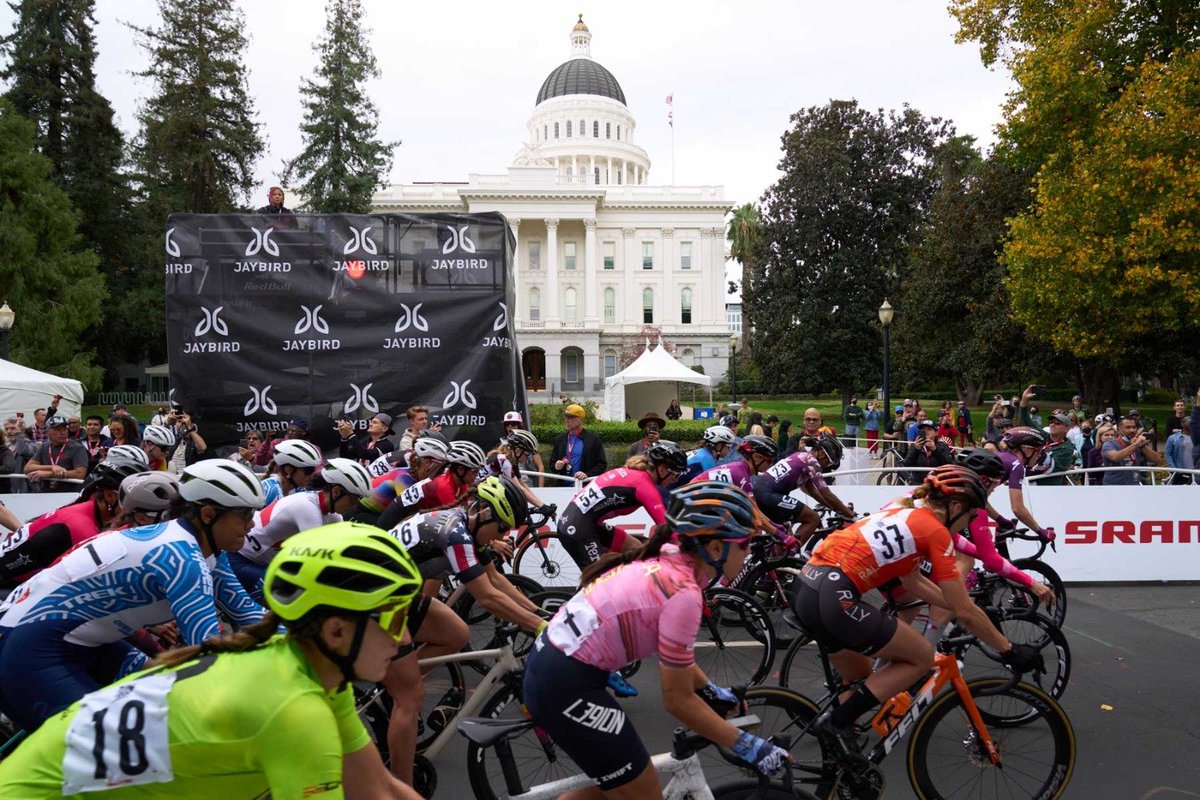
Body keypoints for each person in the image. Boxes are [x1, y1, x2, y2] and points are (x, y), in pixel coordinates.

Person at [0, 523, 425, 800]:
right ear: (336, 631)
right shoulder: (294, 709)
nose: (405, 638)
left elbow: (378, 789)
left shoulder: (315, 673)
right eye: (394, 617)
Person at [524, 482, 791, 795]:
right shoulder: (684, 593)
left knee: (621, 787)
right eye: (745, 544)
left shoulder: (668, 558)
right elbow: (677, 699)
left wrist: (709, 690)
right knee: (644, 791)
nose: (747, 554)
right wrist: (747, 745)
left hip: (553, 668)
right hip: (566, 683)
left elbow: (678, 661)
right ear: (716, 548)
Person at [788, 466, 1043, 755]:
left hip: (806, 587)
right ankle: (835, 724)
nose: (970, 523)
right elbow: (964, 611)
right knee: (922, 657)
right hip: (835, 595)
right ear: (956, 507)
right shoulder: (935, 531)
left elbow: (915, 582)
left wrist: (965, 607)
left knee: (859, 676)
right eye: (971, 516)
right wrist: (1008, 650)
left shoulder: (904, 512)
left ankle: (840, 753)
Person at [0, 460, 266, 732]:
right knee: (113, 747)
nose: (252, 523)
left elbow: (248, 613)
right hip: (30, 648)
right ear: (209, 515)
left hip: (83, 641)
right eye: (245, 515)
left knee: (160, 682)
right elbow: (207, 654)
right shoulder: (181, 558)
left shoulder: (204, 550)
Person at [380, 477, 547, 784]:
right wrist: (540, 627)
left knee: (457, 634)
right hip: (377, 597)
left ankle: (396, 679)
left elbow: (497, 580)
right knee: (410, 697)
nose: (504, 536)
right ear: (484, 512)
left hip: (397, 592)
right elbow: (487, 597)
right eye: (502, 529)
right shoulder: (455, 532)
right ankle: (399, 787)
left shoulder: (466, 525)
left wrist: (540, 613)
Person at [229, 458, 373, 602]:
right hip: (240, 559)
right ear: (336, 492)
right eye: (354, 499)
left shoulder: (333, 517)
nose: (355, 506)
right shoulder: (306, 507)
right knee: (292, 601)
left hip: (259, 563)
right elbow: (316, 560)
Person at [0, 457, 149, 588]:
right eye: (134, 501)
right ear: (110, 496)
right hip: (9, 584)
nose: (139, 511)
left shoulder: (88, 508)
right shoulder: (81, 526)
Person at [555, 443, 684, 568]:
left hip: (582, 522)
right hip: (578, 529)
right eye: (675, 474)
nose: (675, 480)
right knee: (599, 580)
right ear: (661, 469)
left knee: (636, 548)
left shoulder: (634, 473)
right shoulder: (645, 486)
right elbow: (666, 527)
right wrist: (691, 548)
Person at [752, 445, 854, 545]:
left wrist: (834, 507)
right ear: (822, 454)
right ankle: (790, 555)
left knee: (786, 533)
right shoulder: (811, 461)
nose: (826, 466)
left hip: (763, 493)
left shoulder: (801, 457)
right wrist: (849, 513)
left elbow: (812, 491)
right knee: (813, 518)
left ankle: (777, 559)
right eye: (828, 462)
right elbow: (825, 492)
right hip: (769, 495)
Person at [23, 414, 89, 492]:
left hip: (69, 493)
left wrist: (49, 474)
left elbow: (80, 474)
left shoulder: (77, 448)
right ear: (48, 432)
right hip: (46, 492)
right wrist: (52, 467)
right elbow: (27, 468)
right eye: (58, 429)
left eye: (65, 429)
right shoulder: (45, 446)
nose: (63, 433)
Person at [551, 403, 606, 481]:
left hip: (584, 487)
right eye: (566, 417)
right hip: (563, 487)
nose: (566, 420)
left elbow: (601, 464)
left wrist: (587, 474)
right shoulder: (560, 439)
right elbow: (552, 463)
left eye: (570, 417)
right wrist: (556, 466)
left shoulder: (593, 439)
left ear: (580, 419)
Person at [1102, 415, 1164, 485]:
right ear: (1119, 429)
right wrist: (1136, 444)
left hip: (1134, 486)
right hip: (1114, 487)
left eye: (1134, 427)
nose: (1132, 430)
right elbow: (1115, 457)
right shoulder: (1109, 444)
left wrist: (1143, 446)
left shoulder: (1137, 444)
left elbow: (1158, 460)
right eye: (1128, 427)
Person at [1165, 419, 1194, 484]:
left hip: (1195, 471)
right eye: (1189, 423)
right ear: (1182, 424)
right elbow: (1167, 454)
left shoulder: (1196, 438)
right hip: (1180, 471)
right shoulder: (1173, 438)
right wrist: (1173, 468)